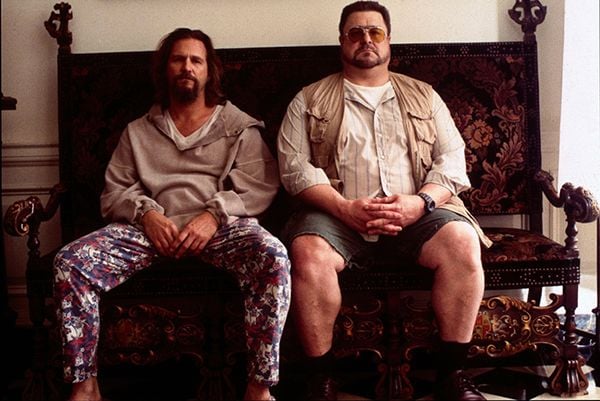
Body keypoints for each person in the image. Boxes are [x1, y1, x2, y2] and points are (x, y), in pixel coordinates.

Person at [53, 28, 290, 401]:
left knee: (273, 255)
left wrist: (214, 215)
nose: (187, 67)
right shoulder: (137, 132)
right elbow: (114, 193)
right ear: (165, 69)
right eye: (178, 59)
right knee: (70, 262)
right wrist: (146, 214)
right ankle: (85, 386)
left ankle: (259, 388)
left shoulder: (239, 127)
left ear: (209, 71)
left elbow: (259, 186)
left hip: (218, 228)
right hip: (152, 230)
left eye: (196, 60)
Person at [277, 2, 492, 400]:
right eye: (355, 33)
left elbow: (452, 160)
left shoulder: (424, 96)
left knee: (463, 243)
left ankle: (452, 377)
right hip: (336, 215)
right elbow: (294, 169)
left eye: (374, 32)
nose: (366, 40)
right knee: (307, 251)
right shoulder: (308, 99)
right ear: (342, 40)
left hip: (418, 213)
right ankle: (321, 380)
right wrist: (343, 209)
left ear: (388, 39)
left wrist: (421, 203)